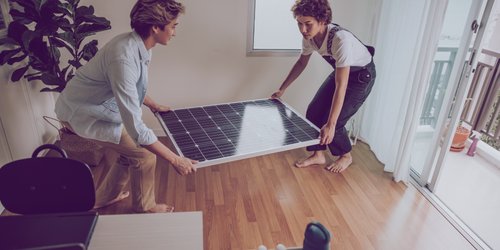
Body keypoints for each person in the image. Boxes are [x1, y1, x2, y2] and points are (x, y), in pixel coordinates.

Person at [55, 0, 197, 213]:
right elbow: (137, 129)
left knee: (130, 152)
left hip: (98, 107)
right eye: (174, 26)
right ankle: (145, 207)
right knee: (145, 155)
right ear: (155, 28)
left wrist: (153, 104)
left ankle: (104, 198)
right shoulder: (123, 57)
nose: (175, 32)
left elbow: (131, 87)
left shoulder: (139, 45)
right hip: (81, 113)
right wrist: (176, 159)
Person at [271, 0, 376, 173]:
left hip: (361, 77)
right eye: (299, 23)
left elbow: (341, 85)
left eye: (308, 24)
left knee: (336, 121)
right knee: (314, 111)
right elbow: (301, 63)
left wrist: (331, 124)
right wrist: (283, 88)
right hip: (342, 72)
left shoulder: (340, 40)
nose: (303, 29)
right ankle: (318, 155)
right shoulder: (309, 38)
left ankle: (345, 156)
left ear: (322, 20)